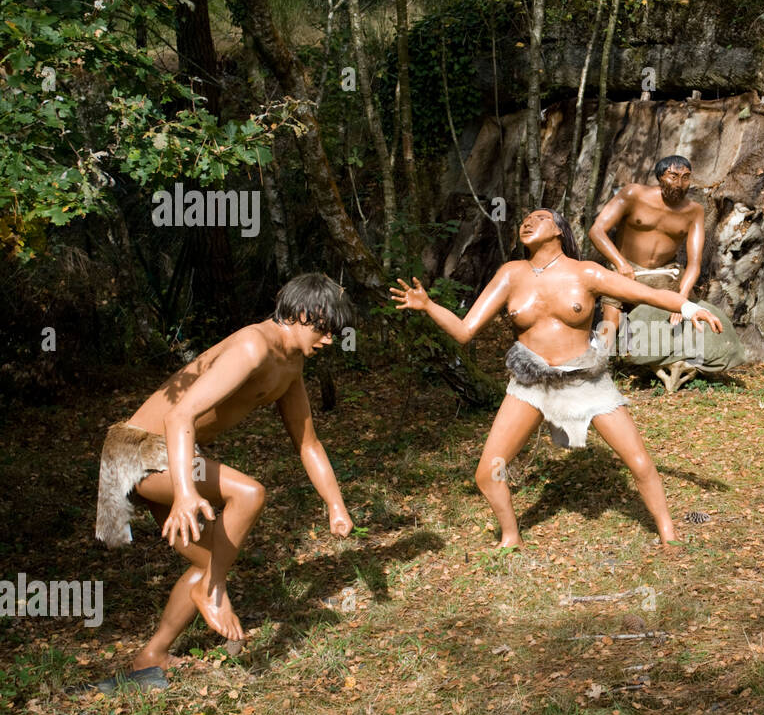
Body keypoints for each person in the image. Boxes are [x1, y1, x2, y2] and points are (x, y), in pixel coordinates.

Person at [390, 208, 724, 549]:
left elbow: (649, 295)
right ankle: (511, 536)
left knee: (639, 462)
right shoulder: (511, 274)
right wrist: (429, 306)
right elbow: (464, 331)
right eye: (524, 220)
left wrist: (690, 309)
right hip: (531, 382)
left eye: (539, 217)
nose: (528, 222)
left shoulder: (586, 272)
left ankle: (667, 531)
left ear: (559, 231)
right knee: (487, 473)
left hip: (585, 380)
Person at [90, 274, 355, 690]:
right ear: (303, 315)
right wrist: (185, 492)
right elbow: (180, 416)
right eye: (325, 329)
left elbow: (308, 442)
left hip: (174, 455)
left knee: (212, 558)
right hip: (137, 451)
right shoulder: (253, 346)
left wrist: (335, 504)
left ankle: (151, 656)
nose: (329, 340)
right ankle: (213, 592)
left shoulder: (291, 362)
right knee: (249, 493)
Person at [587, 155, 742, 386]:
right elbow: (597, 231)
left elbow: (694, 263)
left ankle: (672, 362)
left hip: (664, 274)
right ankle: (597, 372)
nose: (679, 184)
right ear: (660, 177)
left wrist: (681, 298)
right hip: (625, 270)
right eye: (673, 176)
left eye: (686, 178)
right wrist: (620, 264)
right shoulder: (633, 194)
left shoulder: (694, 211)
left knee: (678, 319)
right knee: (611, 320)